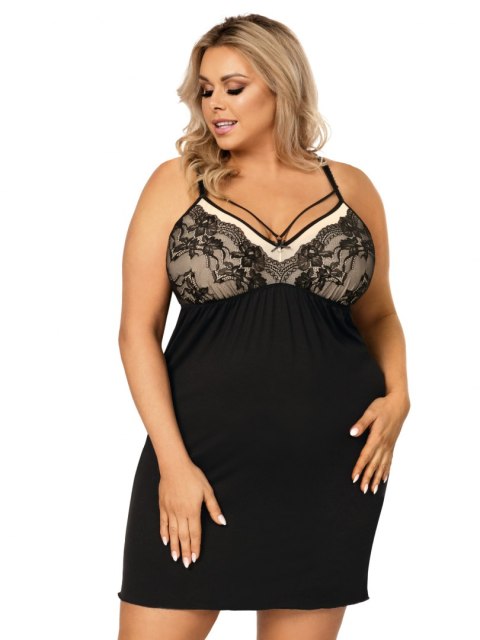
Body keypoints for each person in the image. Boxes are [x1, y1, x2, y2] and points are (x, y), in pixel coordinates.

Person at [116, 13, 410, 640]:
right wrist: (173, 464)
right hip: (200, 462)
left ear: (282, 85)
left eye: (233, 87)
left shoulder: (351, 188)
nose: (214, 104)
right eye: (205, 90)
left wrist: (400, 395)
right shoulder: (177, 184)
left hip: (329, 468)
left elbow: (379, 314)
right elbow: (136, 332)